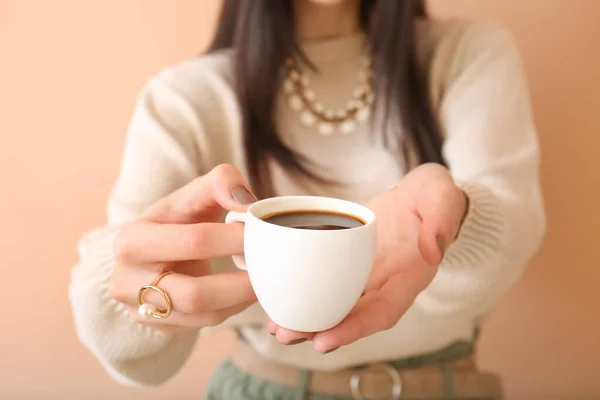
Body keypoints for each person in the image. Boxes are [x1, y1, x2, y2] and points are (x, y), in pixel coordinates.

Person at [68, 0, 545, 398]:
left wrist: (456, 216)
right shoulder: (187, 97)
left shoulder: (467, 54)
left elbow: (515, 225)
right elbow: (122, 309)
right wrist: (140, 294)